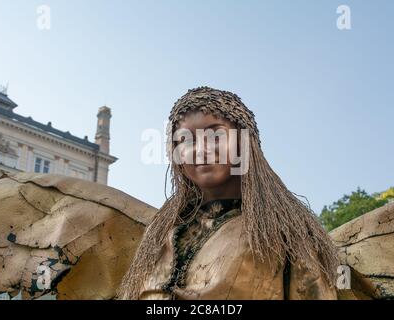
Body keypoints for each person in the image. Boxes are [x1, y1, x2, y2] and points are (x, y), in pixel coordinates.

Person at [116, 86, 339, 300]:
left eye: (216, 136)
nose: (201, 149)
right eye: (185, 140)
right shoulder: (157, 237)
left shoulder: (287, 232)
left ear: (245, 142)